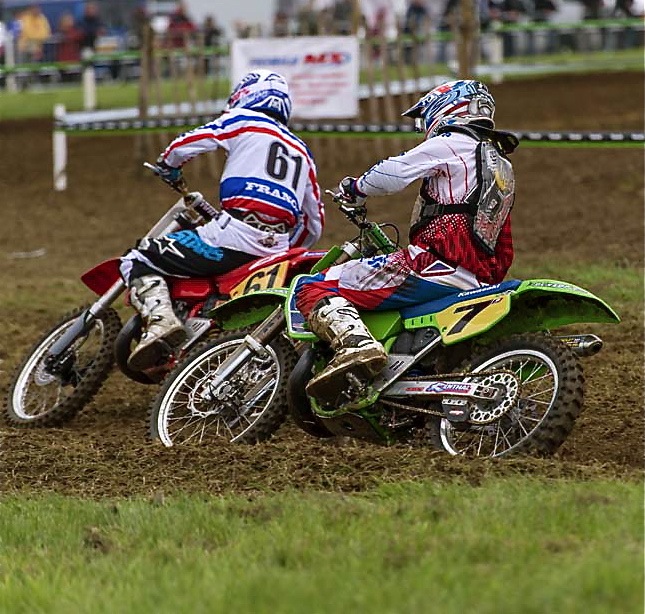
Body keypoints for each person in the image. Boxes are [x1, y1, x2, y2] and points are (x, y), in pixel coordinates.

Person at [295, 80, 518, 401]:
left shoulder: (453, 143)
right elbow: (501, 237)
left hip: (434, 265)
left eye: (424, 119)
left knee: (314, 286)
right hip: (478, 277)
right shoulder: (500, 164)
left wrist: (354, 188)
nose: (422, 128)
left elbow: (392, 173)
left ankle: (357, 346)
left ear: (449, 108)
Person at [120, 70, 324, 370]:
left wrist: (169, 165)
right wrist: (280, 246)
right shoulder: (302, 151)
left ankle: (161, 322)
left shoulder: (245, 120)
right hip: (278, 251)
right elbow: (313, 222)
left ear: (246, 95)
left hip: (232, 235)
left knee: (139, 257)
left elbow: (191, 142)